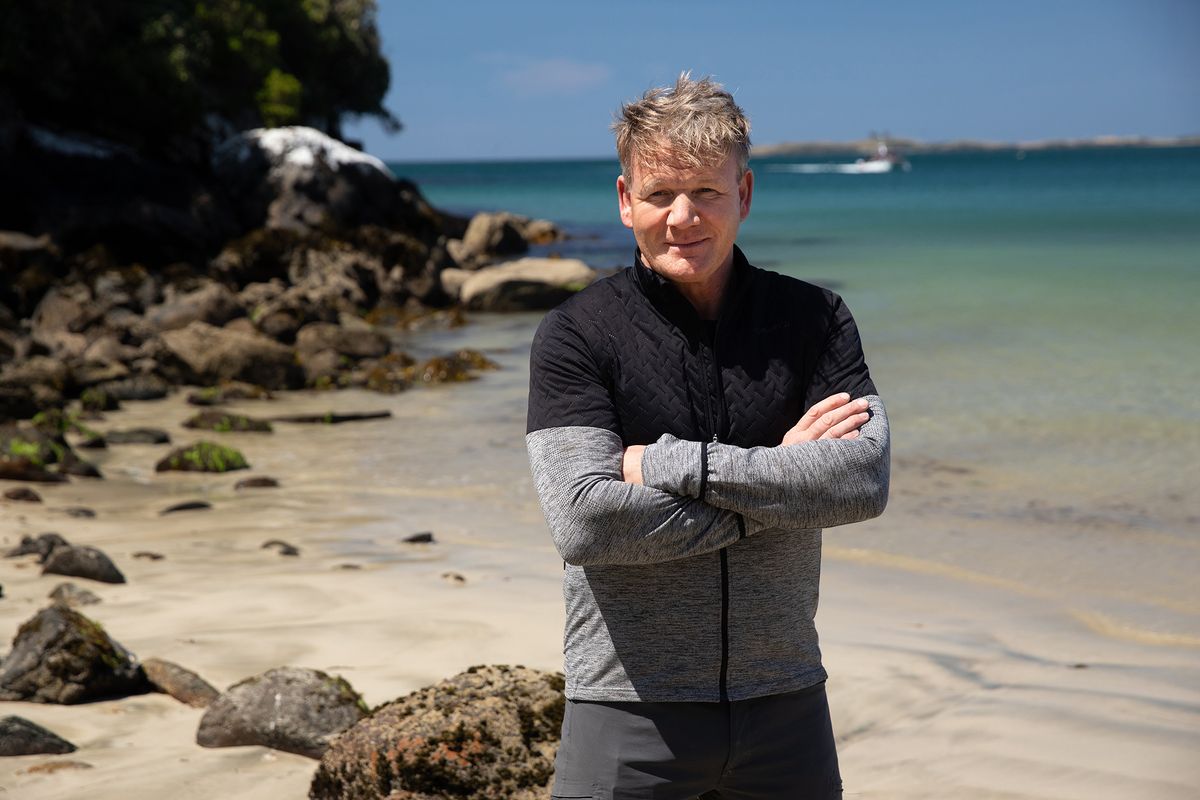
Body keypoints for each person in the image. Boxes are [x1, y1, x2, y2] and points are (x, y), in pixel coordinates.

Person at [526, 73, 890, 800]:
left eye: (707, 193)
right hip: (627, 707)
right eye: (660, 195)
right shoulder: (576, 335)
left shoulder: (813, 320)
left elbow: (860, 482)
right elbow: (584, 521)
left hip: (786, 704)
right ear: (626, 201)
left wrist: (670, 465)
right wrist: (784, 479)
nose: (682, 217)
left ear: (745, 196)